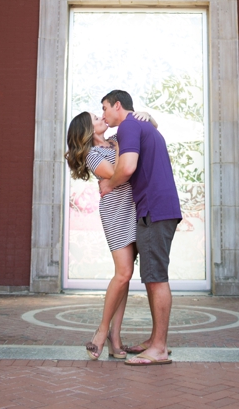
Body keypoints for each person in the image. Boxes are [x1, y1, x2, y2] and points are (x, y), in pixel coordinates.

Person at [99, 89, 182, 366]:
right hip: (158, 207)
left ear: (117, 106)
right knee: (152, 275)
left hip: (154, 208)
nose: (103, 115)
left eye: (105, 109)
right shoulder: (141, 124)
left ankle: (158, 348)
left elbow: (128, 166)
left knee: (156, 277)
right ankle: (155, 339)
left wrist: (108, 185)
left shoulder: (129, 126)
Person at [64, 111, 137, 360]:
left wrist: (143, 116)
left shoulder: (117, 138)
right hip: (116, 212)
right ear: (88, 129)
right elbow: (119, 170)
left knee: (125, 276)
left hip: (134, 208)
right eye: (96, 118)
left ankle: (115, 338)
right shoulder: (93, 155)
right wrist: (120, 146)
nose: (102, 118)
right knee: (123, 272)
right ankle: (102, 331)